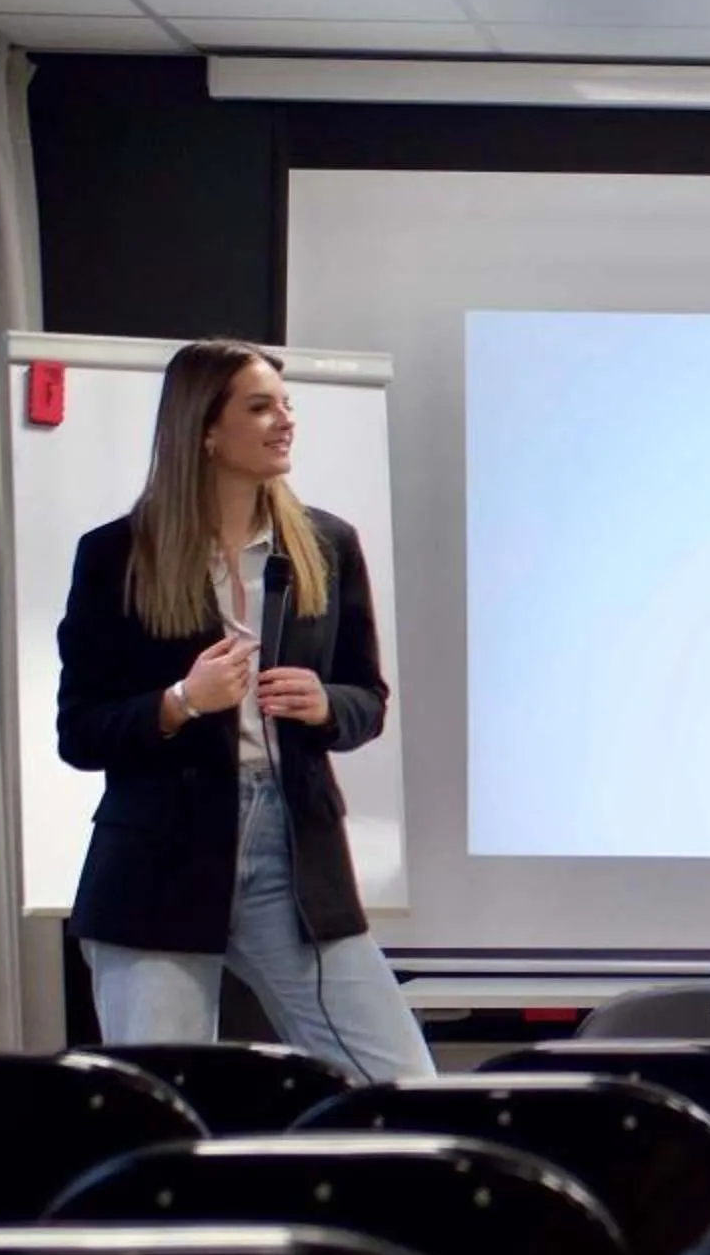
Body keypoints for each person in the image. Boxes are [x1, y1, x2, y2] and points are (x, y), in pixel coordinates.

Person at [55, 339, 432, 1080]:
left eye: (286, 404)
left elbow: (368, 700)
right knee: (164, 1112)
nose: (284, 420)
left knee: (402, 1084)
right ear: (204, 429)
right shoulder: (115, 556)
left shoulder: (326, 544)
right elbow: (80, 731)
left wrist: (327, 705)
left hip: (292, 855)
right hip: (158, 864)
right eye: (260, 407)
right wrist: (180, 702)